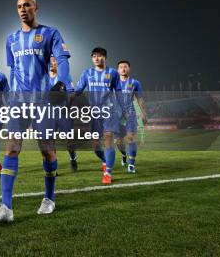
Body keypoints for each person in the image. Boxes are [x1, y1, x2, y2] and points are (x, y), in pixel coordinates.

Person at [0, 0, 73, 223]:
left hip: (43, 100)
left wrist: (62, 82)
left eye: (27, 5)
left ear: (36, 7)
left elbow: (62, 60)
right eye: (19, 6)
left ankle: (49, 198)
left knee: (47, 150)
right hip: (18, 102)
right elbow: (13, 70)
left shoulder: (51, 33)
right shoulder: (11, 39)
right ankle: (6, 207)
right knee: (11, 149)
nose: (23, 9)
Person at [75, 47, 124, 184]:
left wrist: (124, 109)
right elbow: (78, 91)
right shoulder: (87, 73)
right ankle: (104, 160)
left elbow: (119, 92)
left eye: (100, 56)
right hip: (94, 113)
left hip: (109, 111)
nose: (97, 58)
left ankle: (108, 172)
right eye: (94, 56)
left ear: (105, 57)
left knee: (108, 139)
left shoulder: (113, 73)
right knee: (95, 145)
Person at [115, 60, 148, 173]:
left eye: (125, 67)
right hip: (117, 115)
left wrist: (144, 113)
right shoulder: (113, 82)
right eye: (121, 67)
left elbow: (140, 99)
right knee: (118, 141)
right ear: (117, 70)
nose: (123, 69)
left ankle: (131, 165)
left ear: (129, 69)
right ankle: (124, 155)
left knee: (130, 137)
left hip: (131, 113)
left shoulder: (135, 83)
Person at [49, 56, 78, 172]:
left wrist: (63, 99)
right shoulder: (43, 78)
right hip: (48, 114)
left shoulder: (65, 77)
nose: (52, 63)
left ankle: (73, 157)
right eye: (49, 61)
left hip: (63, 113)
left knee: (69, 141)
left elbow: (72, 93)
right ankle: (52, 167)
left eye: (54, 60)